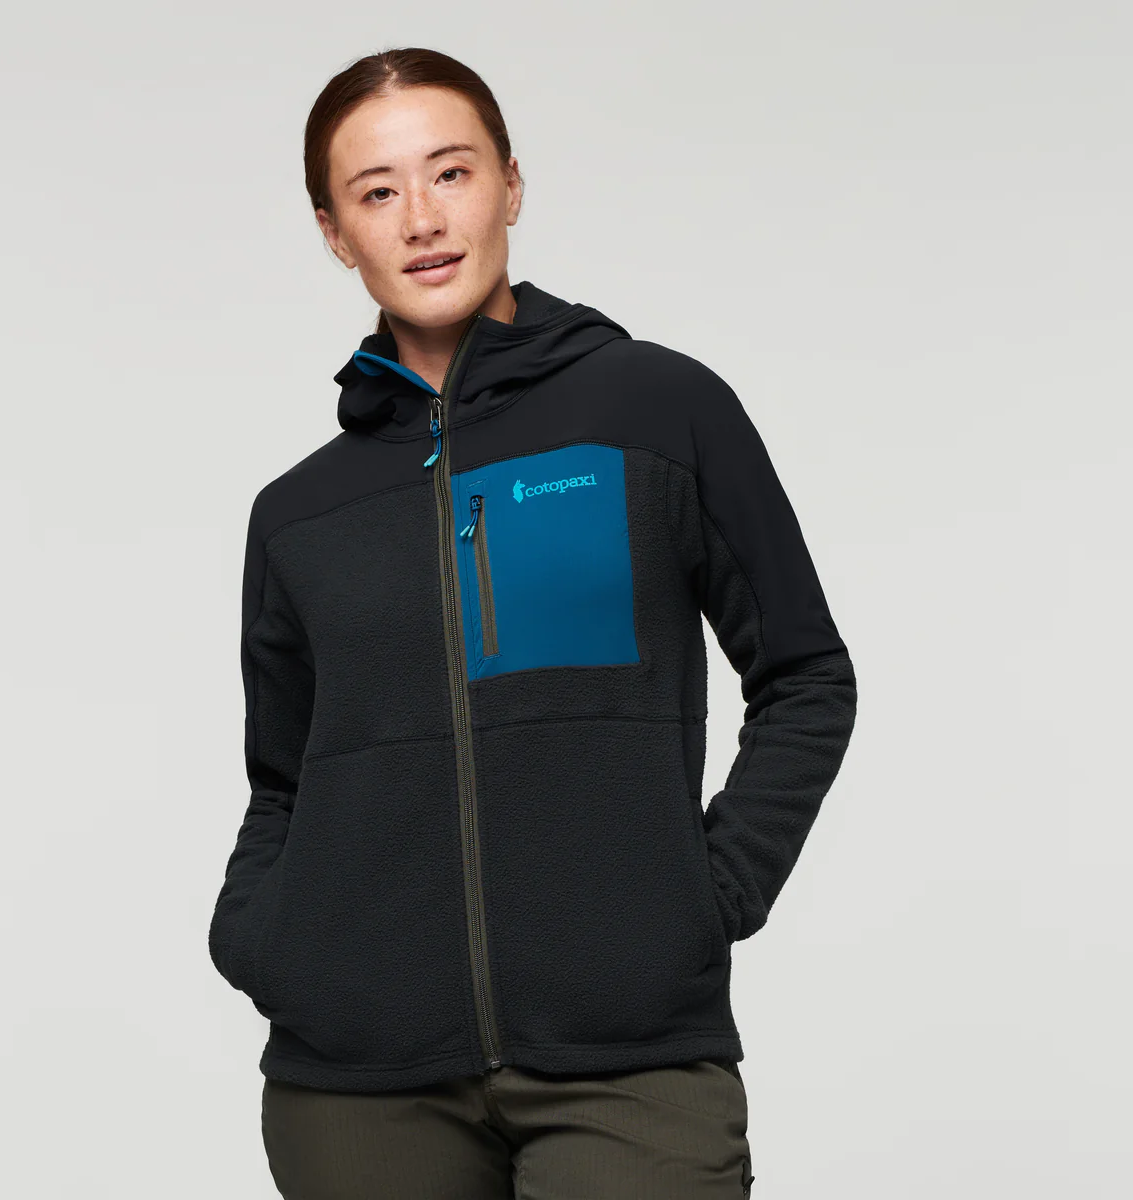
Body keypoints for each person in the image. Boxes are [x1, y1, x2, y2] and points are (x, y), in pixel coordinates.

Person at [207, 45, 857, 1200]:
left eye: (451, 172)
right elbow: (286, 780)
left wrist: (706, 897)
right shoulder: (298, 513)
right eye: (377, 192)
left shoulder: (656, 408)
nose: (422, 219)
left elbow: (806, 676)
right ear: (334, 233)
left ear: (510, 184)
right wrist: (262, 939)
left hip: (628, 1062)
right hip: (358, 1084)